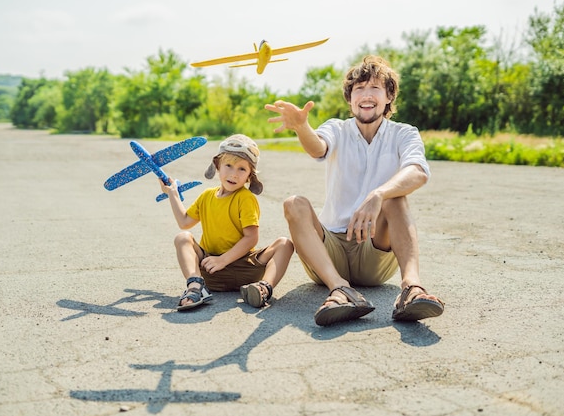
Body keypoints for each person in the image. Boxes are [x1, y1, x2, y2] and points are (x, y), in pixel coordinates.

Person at [265, 55, 444, 326]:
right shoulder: (337, 128)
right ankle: (340, 290)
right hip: (329, 253)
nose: (366, 94)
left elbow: (418, 171)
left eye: (375, 88)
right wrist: (302, 127)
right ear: (350, 99)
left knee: (396, 199)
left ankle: (411, 289)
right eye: (359, 89)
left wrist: (378, 195)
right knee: (294, 203)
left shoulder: (404, 133)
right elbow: (318, 147)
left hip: (374, 251)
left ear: (388, 97)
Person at [158, 134, 294, 311]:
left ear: (249, 177)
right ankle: (195, 286)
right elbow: (185, 222)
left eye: (241, 169)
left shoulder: (245, 198)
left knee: (285, 244)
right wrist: (172, 194)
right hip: (210, 268)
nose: (233, 174)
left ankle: (263, 288)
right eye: (228, 165)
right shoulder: (206, 196)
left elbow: (251, 238)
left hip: (245, 267)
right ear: (217, 166)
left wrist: (224, 260)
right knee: (183, 237)